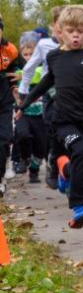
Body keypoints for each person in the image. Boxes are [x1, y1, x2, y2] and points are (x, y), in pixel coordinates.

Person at [15, 6, 83, 228]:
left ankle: (65, 174)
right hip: (63, 120)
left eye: (81, 31)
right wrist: (23, 105)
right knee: (81, 153)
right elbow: (45, 83)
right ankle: (79, 206)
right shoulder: (54, 57)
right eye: (71, 31)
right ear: (61, 32)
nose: (76, 35)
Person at [13, 32, 47, 185]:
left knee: (41, 146)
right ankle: (24, 158)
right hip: (23, 112)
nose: (28, 57)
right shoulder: (18, 71)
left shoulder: (43, 70)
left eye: (31, 54)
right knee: (22, 134)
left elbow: (38, 75)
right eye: (25, 54)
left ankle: (34, 171)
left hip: (40, 114)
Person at [0, 21, 23, 194]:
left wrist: (17, 80)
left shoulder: (10, 50)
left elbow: (21, 69)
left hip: (4, 101)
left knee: (4, 139)